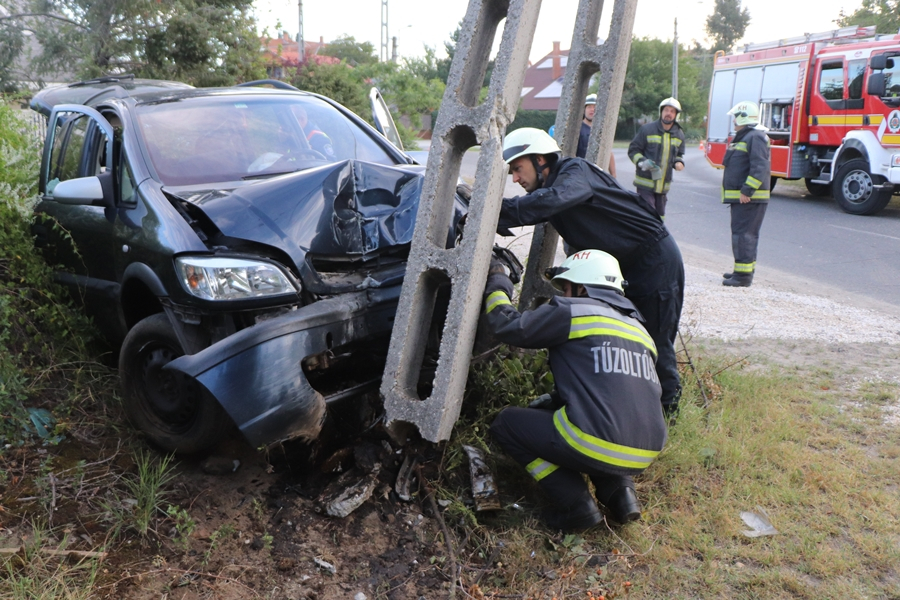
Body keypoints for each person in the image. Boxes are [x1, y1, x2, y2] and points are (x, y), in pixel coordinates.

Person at [498, 127, 684, 416]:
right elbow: (544, 207)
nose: (515, 178)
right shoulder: (550, 189)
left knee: (655, 338)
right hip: (618, 267)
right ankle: (590, 401)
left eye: (518, 169)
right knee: (607, 335)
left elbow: (551, 201)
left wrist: (495, 210)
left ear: (539, 159)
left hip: (653, 261)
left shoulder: (574, 172)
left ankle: (668, 415)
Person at [484, 250, 667, 531]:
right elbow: (611, 388)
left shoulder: (573, 311)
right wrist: (553, 401)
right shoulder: (639, 330)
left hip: (595, 440)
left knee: (507, 424)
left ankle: (576, 505)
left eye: (566, 287)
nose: (563, 295)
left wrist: (498, 284)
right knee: (601, 432)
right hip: (646, 451)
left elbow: (509, 326)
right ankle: (622, 497)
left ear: (582, 287)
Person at [721, 101, 770, 288]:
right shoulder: (747, 136)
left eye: (735, 117)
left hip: (749, 198)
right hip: (744, 197)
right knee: (743, 234)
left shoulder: (754, 137)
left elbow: (760, 166)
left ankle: (742, 277)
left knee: (744, 235)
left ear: (743, 117)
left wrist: (747, 190)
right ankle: (742, 271)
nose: (733, 121)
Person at [627, 97, 685, 218]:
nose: (668, 113)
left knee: (659, 218)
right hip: (645, 184)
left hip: (663, 186)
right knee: (647, 215)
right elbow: (633, 150)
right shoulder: (647, 130)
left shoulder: (679, 134)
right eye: (666, 110)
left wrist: (678, 163)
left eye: (672, 111)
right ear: (661, 112)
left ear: (676, 115)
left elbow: (678, 155)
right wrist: (642, 162)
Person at [549, 93, 616, 176]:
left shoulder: (602, 130)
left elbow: (608, 152)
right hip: (580, 174)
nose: (592, 109)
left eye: (594, 107)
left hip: (598, 174)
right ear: (584, 109)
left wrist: (613, 175)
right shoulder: (576, 129)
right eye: (589, 107)